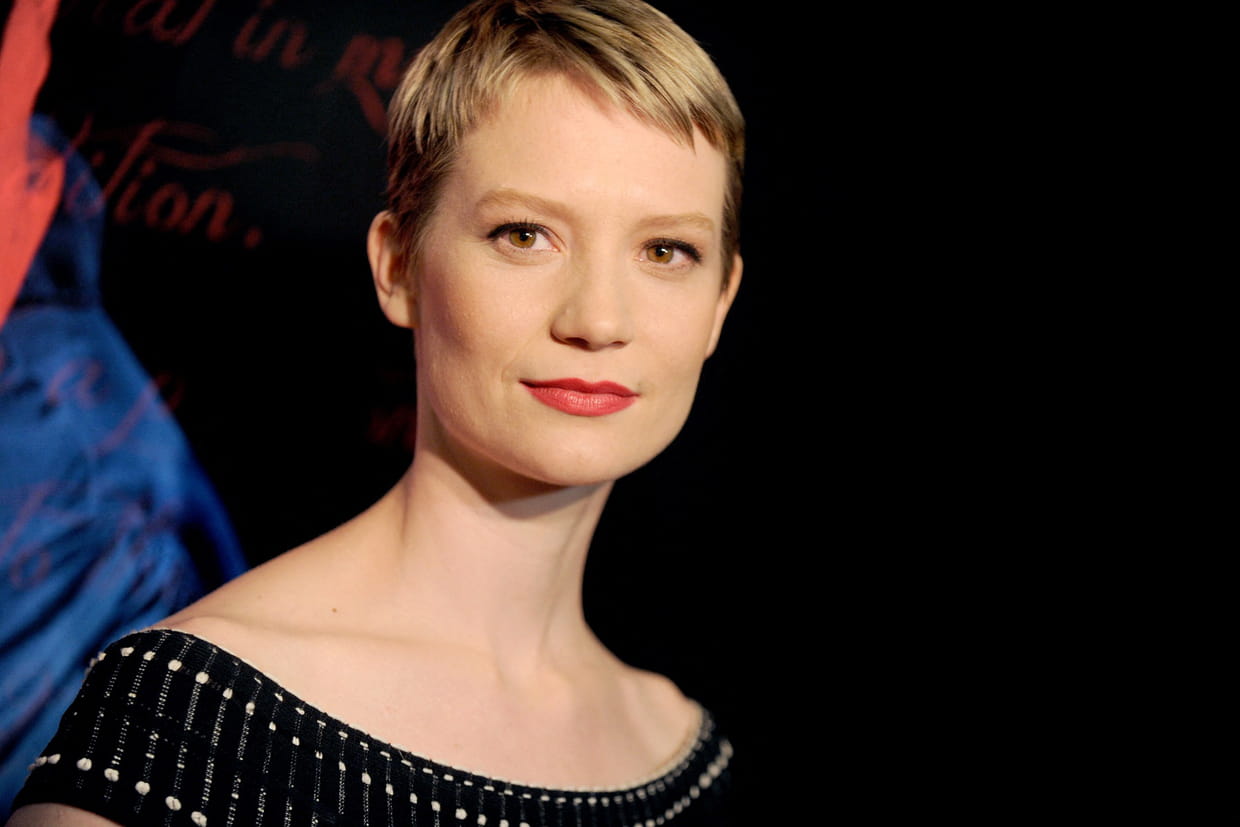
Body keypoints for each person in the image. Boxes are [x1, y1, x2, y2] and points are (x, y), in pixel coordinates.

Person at [8, 0, 745, 822]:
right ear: (398, 266)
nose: (599, 320)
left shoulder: (688, 756)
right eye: (524, 235)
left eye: (665, 251)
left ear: (721, 300)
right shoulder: (187, 713)